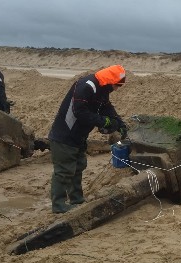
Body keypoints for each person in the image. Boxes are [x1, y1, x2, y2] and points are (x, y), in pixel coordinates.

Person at [47, 65, 129, 214]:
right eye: (117, 85)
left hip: (79, 136)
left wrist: (119, 123)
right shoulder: (87, 86)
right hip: (65, 135)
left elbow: (107, 107)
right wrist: (103, 122)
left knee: (78, 167)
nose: (117, 89)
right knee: (64, 170)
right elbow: (80, 112)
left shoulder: (102, 90)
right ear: (110, 80)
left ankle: (77, 200)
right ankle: (58, 206)